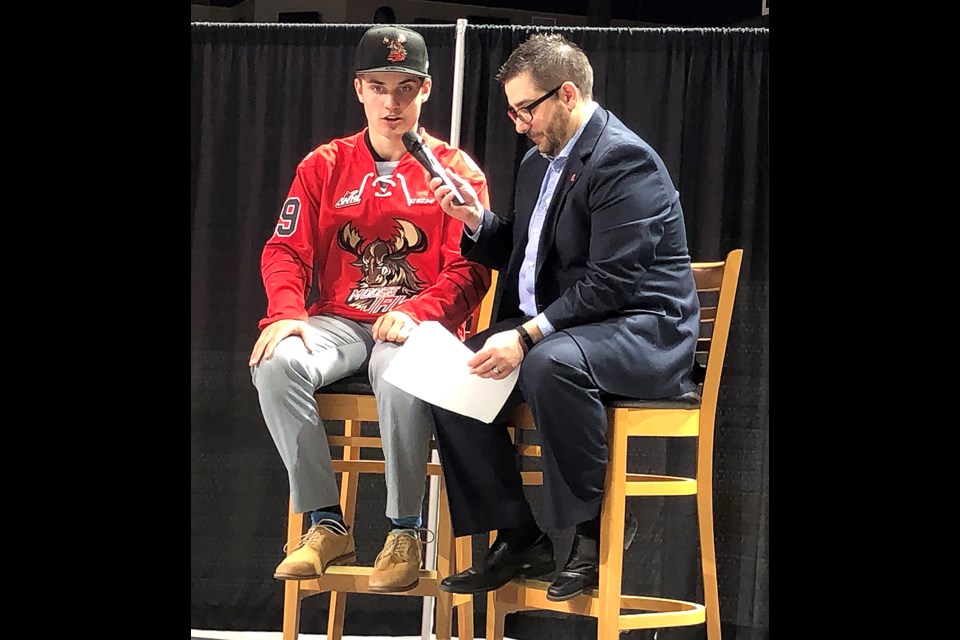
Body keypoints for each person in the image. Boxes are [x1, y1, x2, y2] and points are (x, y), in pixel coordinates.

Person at [425, 33, 701, 602]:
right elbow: (533, 258)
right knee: (451, 374)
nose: (519, 123)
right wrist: (477, 221)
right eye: (511, 110)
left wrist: (525, 336)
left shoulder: (625, 160)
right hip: (577, 326)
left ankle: (595, 530)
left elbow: (612, 282)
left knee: (550, 365)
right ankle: (520, 535)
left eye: (526, 108)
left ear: (567, 94)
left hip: (641, 328)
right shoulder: (537, 164)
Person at [249, 25, 492, 594]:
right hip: (339, 320)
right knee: (276, 361)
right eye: (379, 86)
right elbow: (284, 249)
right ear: (359, 89)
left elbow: (470, 270)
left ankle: (405, 530)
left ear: (426, 91)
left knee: (397, 367)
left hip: (420, 327)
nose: (392, 101)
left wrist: (419, 313)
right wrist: (286, 311)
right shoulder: (324, 165)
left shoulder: (456, 170)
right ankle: (324, 523)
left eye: (406, 87)